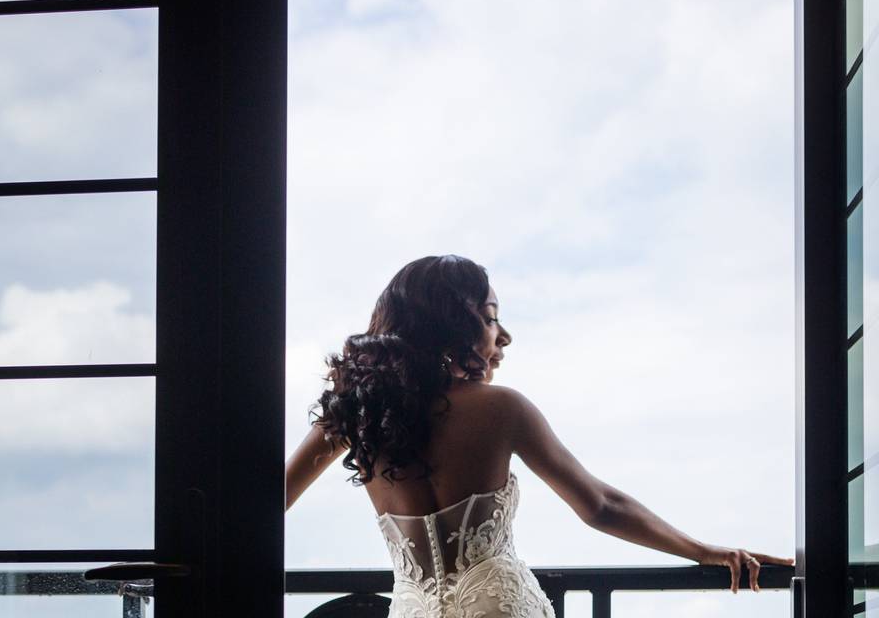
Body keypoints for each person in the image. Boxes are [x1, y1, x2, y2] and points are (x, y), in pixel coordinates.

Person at [285, 254, 794, 617]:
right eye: (489, 319)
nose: (503, 336)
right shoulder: (502, 407)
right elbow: (601, 505)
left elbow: (271, 501)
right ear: (450, 327)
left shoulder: (353, 415)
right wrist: (704, 551)